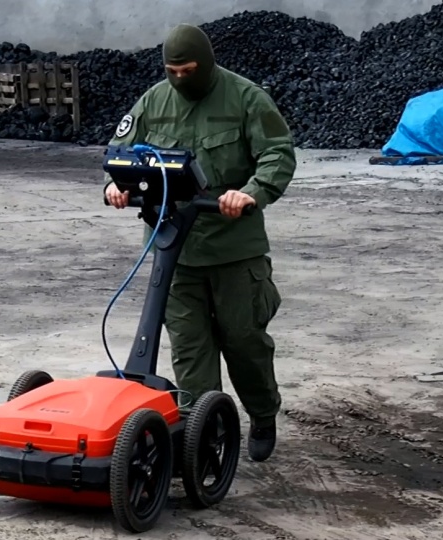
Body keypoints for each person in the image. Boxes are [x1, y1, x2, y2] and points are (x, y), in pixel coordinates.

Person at [103, 23, 296, 462]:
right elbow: (120, 149)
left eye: (188, 70)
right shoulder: (153, 100)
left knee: (244, 343)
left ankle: (262, 414)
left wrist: (251, 191)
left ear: (205, 65)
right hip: (176, 250)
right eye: (172, 71)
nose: (179, 79)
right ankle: (204, 436)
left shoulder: (246, 98)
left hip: (234, 249)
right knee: (190, 350)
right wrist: (118, 185)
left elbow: (278, 153)